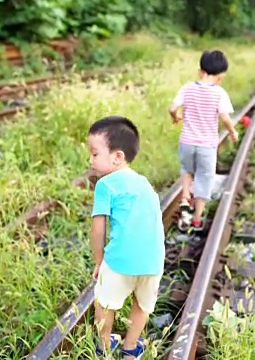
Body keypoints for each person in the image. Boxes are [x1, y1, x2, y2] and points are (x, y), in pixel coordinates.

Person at [87, 116, 166, 359]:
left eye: (94, 154)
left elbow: (98, 229)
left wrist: (100, 261)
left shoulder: (106, 184)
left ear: (117, 157)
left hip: (120, 261)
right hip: (153, 262)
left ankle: (103, 346)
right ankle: (131, 348)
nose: (90, 160)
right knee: (142, 306)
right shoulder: (143, 182)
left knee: (105, 303)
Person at [168, 50, 239, 232]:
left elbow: (172, 107)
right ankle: (198, 219)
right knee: (204, 179)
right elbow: (224, 118)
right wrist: (232, 132)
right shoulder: (219, 93)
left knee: (187, 170)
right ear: (220, 76)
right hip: (207, 146)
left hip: (187, 142)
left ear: (200, 71)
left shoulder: (188, 88)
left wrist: (176, 117)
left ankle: (185, 197)